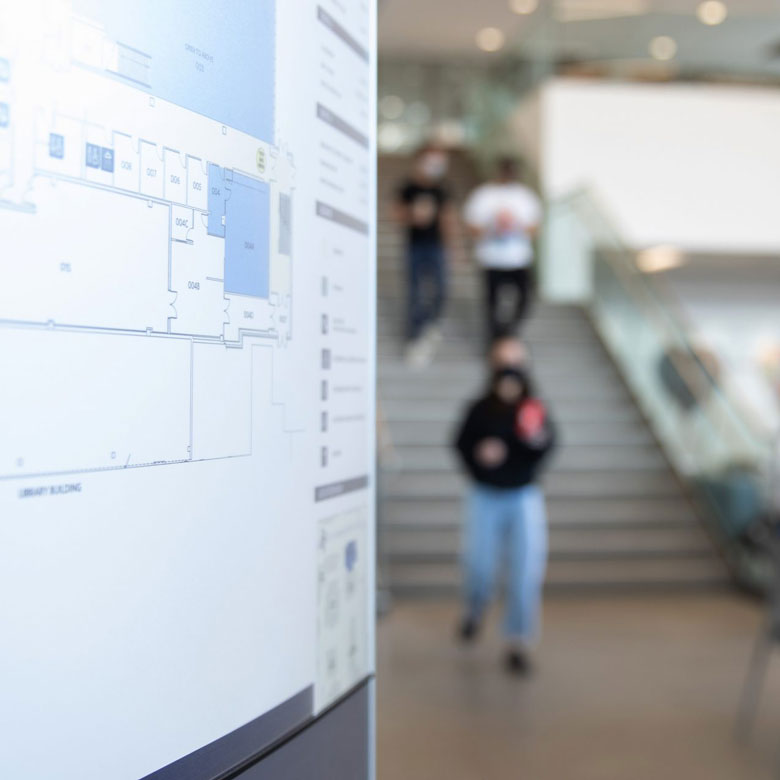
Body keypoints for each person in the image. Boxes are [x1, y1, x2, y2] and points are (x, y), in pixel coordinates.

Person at [453, 364, 555, 674]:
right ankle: (474, 609)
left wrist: (533, 440)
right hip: (486, 494)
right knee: (479, 563)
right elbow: (460, 443)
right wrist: (479, 457)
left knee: (526, 570)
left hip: (523, 495)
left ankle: (518, 641)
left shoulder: (533, 408)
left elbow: (547, 444)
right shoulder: (480, 409)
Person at [463, 157, 542, 344]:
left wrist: (514, 225)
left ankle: (510, 332)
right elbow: (472, 227)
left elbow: (535, 228)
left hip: (518, 259)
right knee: (492, 303)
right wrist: (493, 226)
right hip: (492, 259)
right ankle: (495, 338)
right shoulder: (483, 195)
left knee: (524, 298)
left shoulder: (525, 196)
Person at [394, 144, 454, 365]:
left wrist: (452, 248)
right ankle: (415, 335)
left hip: (436, 247)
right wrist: (413, 215)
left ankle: (431, 323)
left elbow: (447, 218)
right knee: (415, 292)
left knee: (440, 289)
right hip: (415, 247)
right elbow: (397, 215)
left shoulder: (441, 189)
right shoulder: (408, 188)